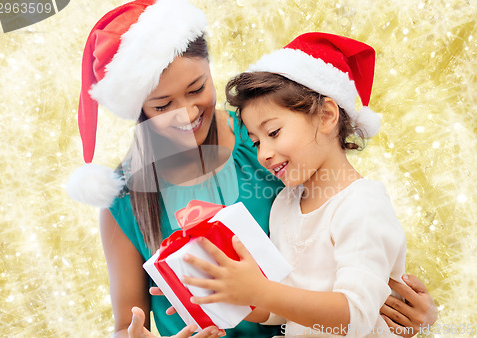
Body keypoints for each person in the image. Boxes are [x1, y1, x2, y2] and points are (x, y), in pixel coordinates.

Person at [66, 0, 437, 336]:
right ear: (139, 110)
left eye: (197, 89)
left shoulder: (266, 135)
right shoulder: (125, 197)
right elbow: (127, 325)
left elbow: (351, 247)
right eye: (162, 105)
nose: (188, 113)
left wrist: (410, 311)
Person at [178, 32, 435, 337]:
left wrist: (261, 291)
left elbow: (355, 318)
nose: (264, 154)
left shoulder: (362, 206)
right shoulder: (285, 204)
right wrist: (223, 289)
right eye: (257, 142)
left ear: (326, 116)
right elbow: (279, 309)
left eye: (273, 132)